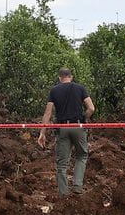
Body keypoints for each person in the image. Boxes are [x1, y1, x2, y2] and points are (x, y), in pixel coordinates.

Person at [37, 67, 95, 196]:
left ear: (59, 78)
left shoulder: (54, 91)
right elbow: (91, 108)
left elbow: (48, 113)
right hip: (78, 126)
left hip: (62, 128)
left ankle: (63, 194)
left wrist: (42, 132)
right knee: (82, 155)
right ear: (71, 77)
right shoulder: (80, 88)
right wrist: (84, 118)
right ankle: (77, 186)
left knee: (62, 163)